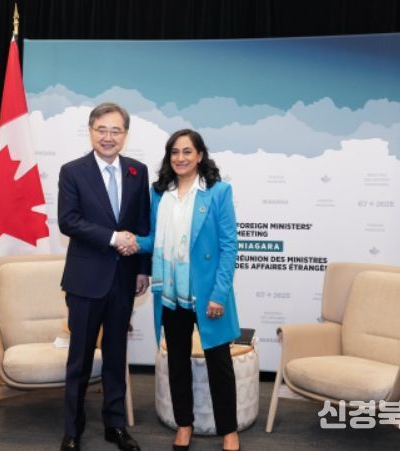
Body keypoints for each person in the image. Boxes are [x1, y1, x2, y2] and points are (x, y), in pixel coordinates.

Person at [123, 129, 241, 451]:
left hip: (207, 294)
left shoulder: (218, 192)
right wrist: (131, 241)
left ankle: (229, 431)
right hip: (171, 293)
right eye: (174, 152)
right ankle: (184, 425)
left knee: (219, 364)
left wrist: (219, 294)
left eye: (187, 151)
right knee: (176, 362)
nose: (180, 158)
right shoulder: (159, 193)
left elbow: (229, 246)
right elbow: (154, 239)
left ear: (200, 155)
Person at [57, 102, 150, 451]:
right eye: (102, 130)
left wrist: (143, 268)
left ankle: (115, 426)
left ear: (125, 135)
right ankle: (73, 430)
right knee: (79, 360)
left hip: (124, 280)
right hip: (85, 280)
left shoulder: (138, 171)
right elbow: (69, 221)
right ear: (91, 131)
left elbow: (143, 224)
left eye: (116, 131)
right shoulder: (73, 171)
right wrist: (113, 238)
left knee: (115, 356)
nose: (108, 137)